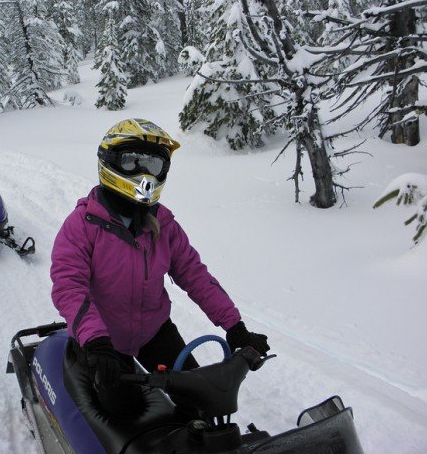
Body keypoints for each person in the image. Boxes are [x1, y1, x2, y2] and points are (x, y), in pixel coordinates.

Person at [50, 118, 270, 415]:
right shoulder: (82, 225)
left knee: (199, 400)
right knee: (124, 413)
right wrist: (95, 339)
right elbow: (69, 287)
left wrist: (235, 326)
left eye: (154, 165)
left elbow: (196, 276)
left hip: (154, 330)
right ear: (110, 162)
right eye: (132, 161)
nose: (144, 174)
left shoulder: (163, 226)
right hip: (104, 339)